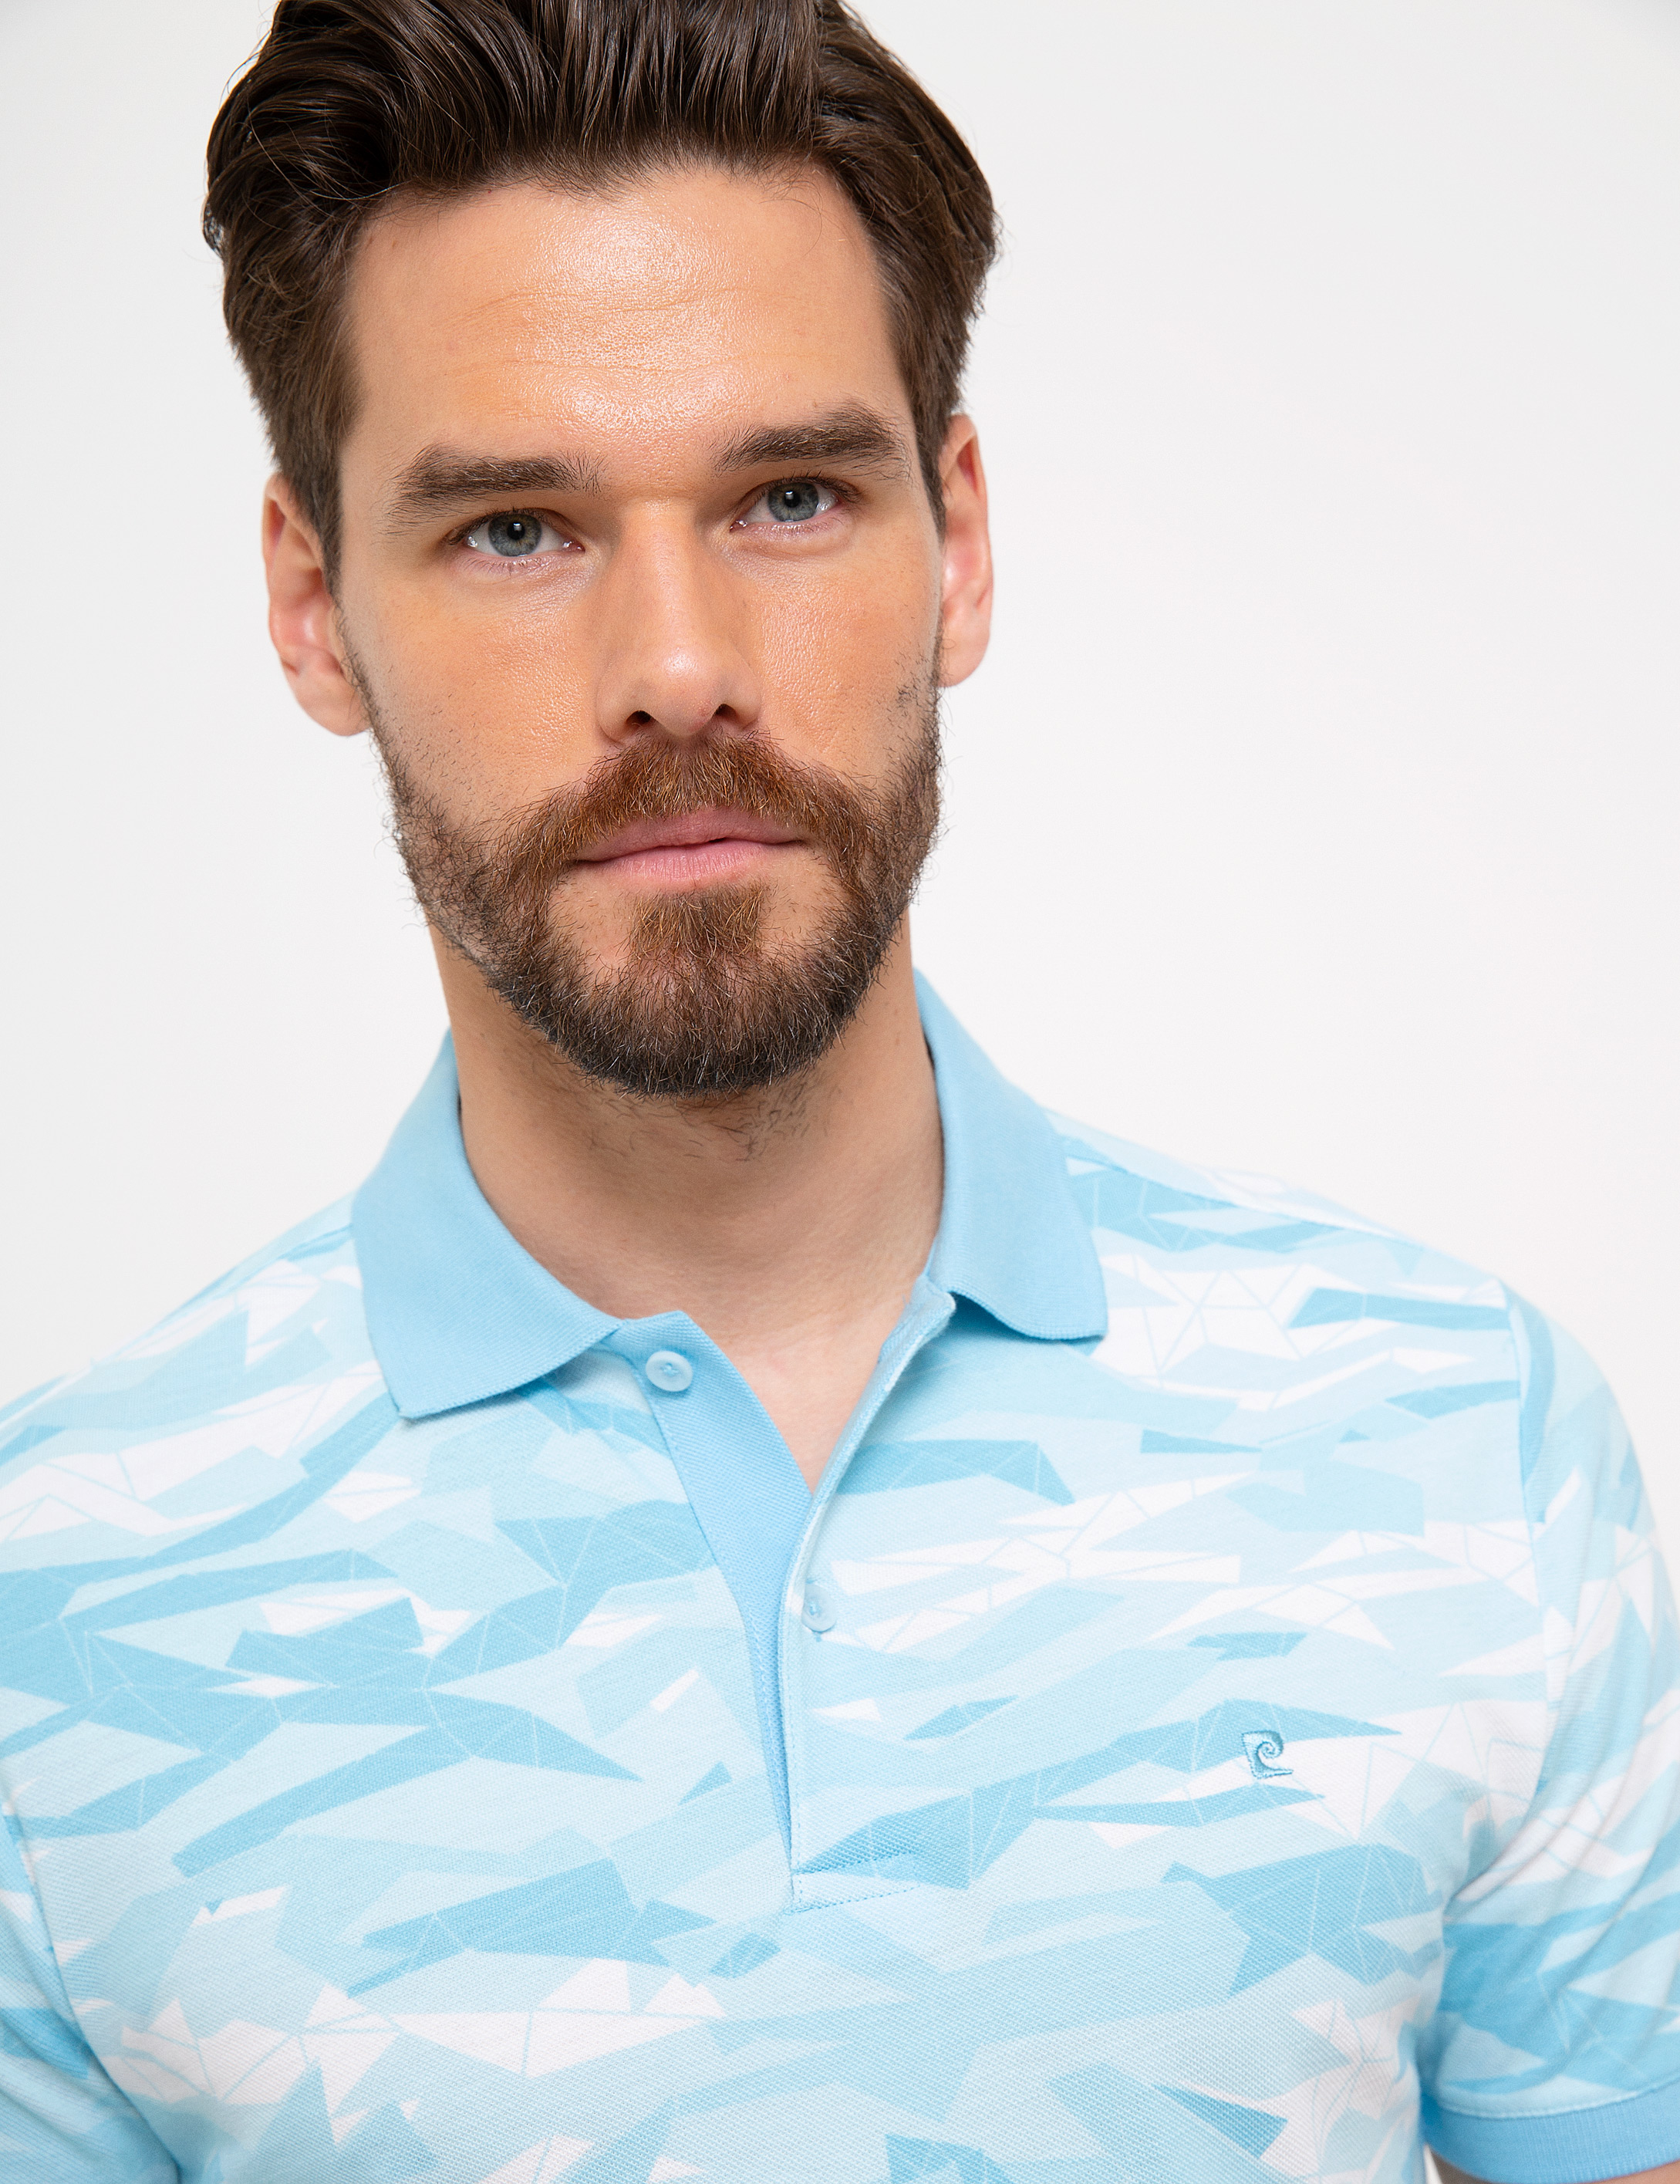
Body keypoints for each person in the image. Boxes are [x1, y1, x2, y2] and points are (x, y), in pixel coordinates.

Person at [0, 2, 1674, 2177]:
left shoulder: (1458, 1442)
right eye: (513, 527)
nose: (677, 667)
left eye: (788, 497)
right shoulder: (55, 1606)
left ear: (955, 542)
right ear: (314, 607)